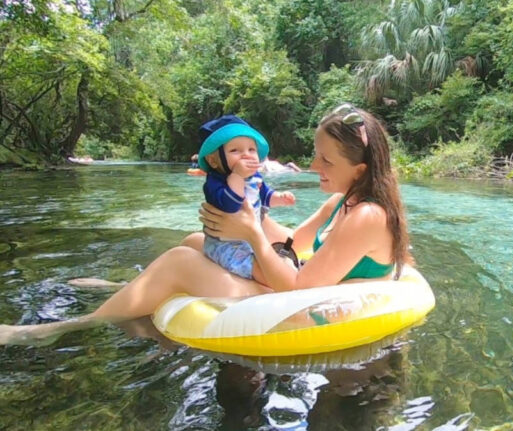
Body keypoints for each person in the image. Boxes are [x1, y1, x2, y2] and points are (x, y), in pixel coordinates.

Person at [0, 103, 410, 346]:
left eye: (325, 160)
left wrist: (249, 233)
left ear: (359, 169)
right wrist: (248, 215)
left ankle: (63, 328)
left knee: (179, 262)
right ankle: (126, 291)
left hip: (297, 300)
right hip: (296, 279)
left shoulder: (368, 216)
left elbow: (301, 288)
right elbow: (294, 240)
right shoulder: (342, 202)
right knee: (195, 239)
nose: (312, 165)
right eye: (316, 154)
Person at [196, 115, 296, 280]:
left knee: (271, 260)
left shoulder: (254, 178)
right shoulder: (214, 183)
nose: (246, 155)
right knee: (262, 273)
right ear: (213, 161)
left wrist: (280, 198)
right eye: (235, 151)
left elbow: (265, 195)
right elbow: (230, 205)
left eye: (251, 150)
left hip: (247, 239)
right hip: (225, 246)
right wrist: (237, 176)